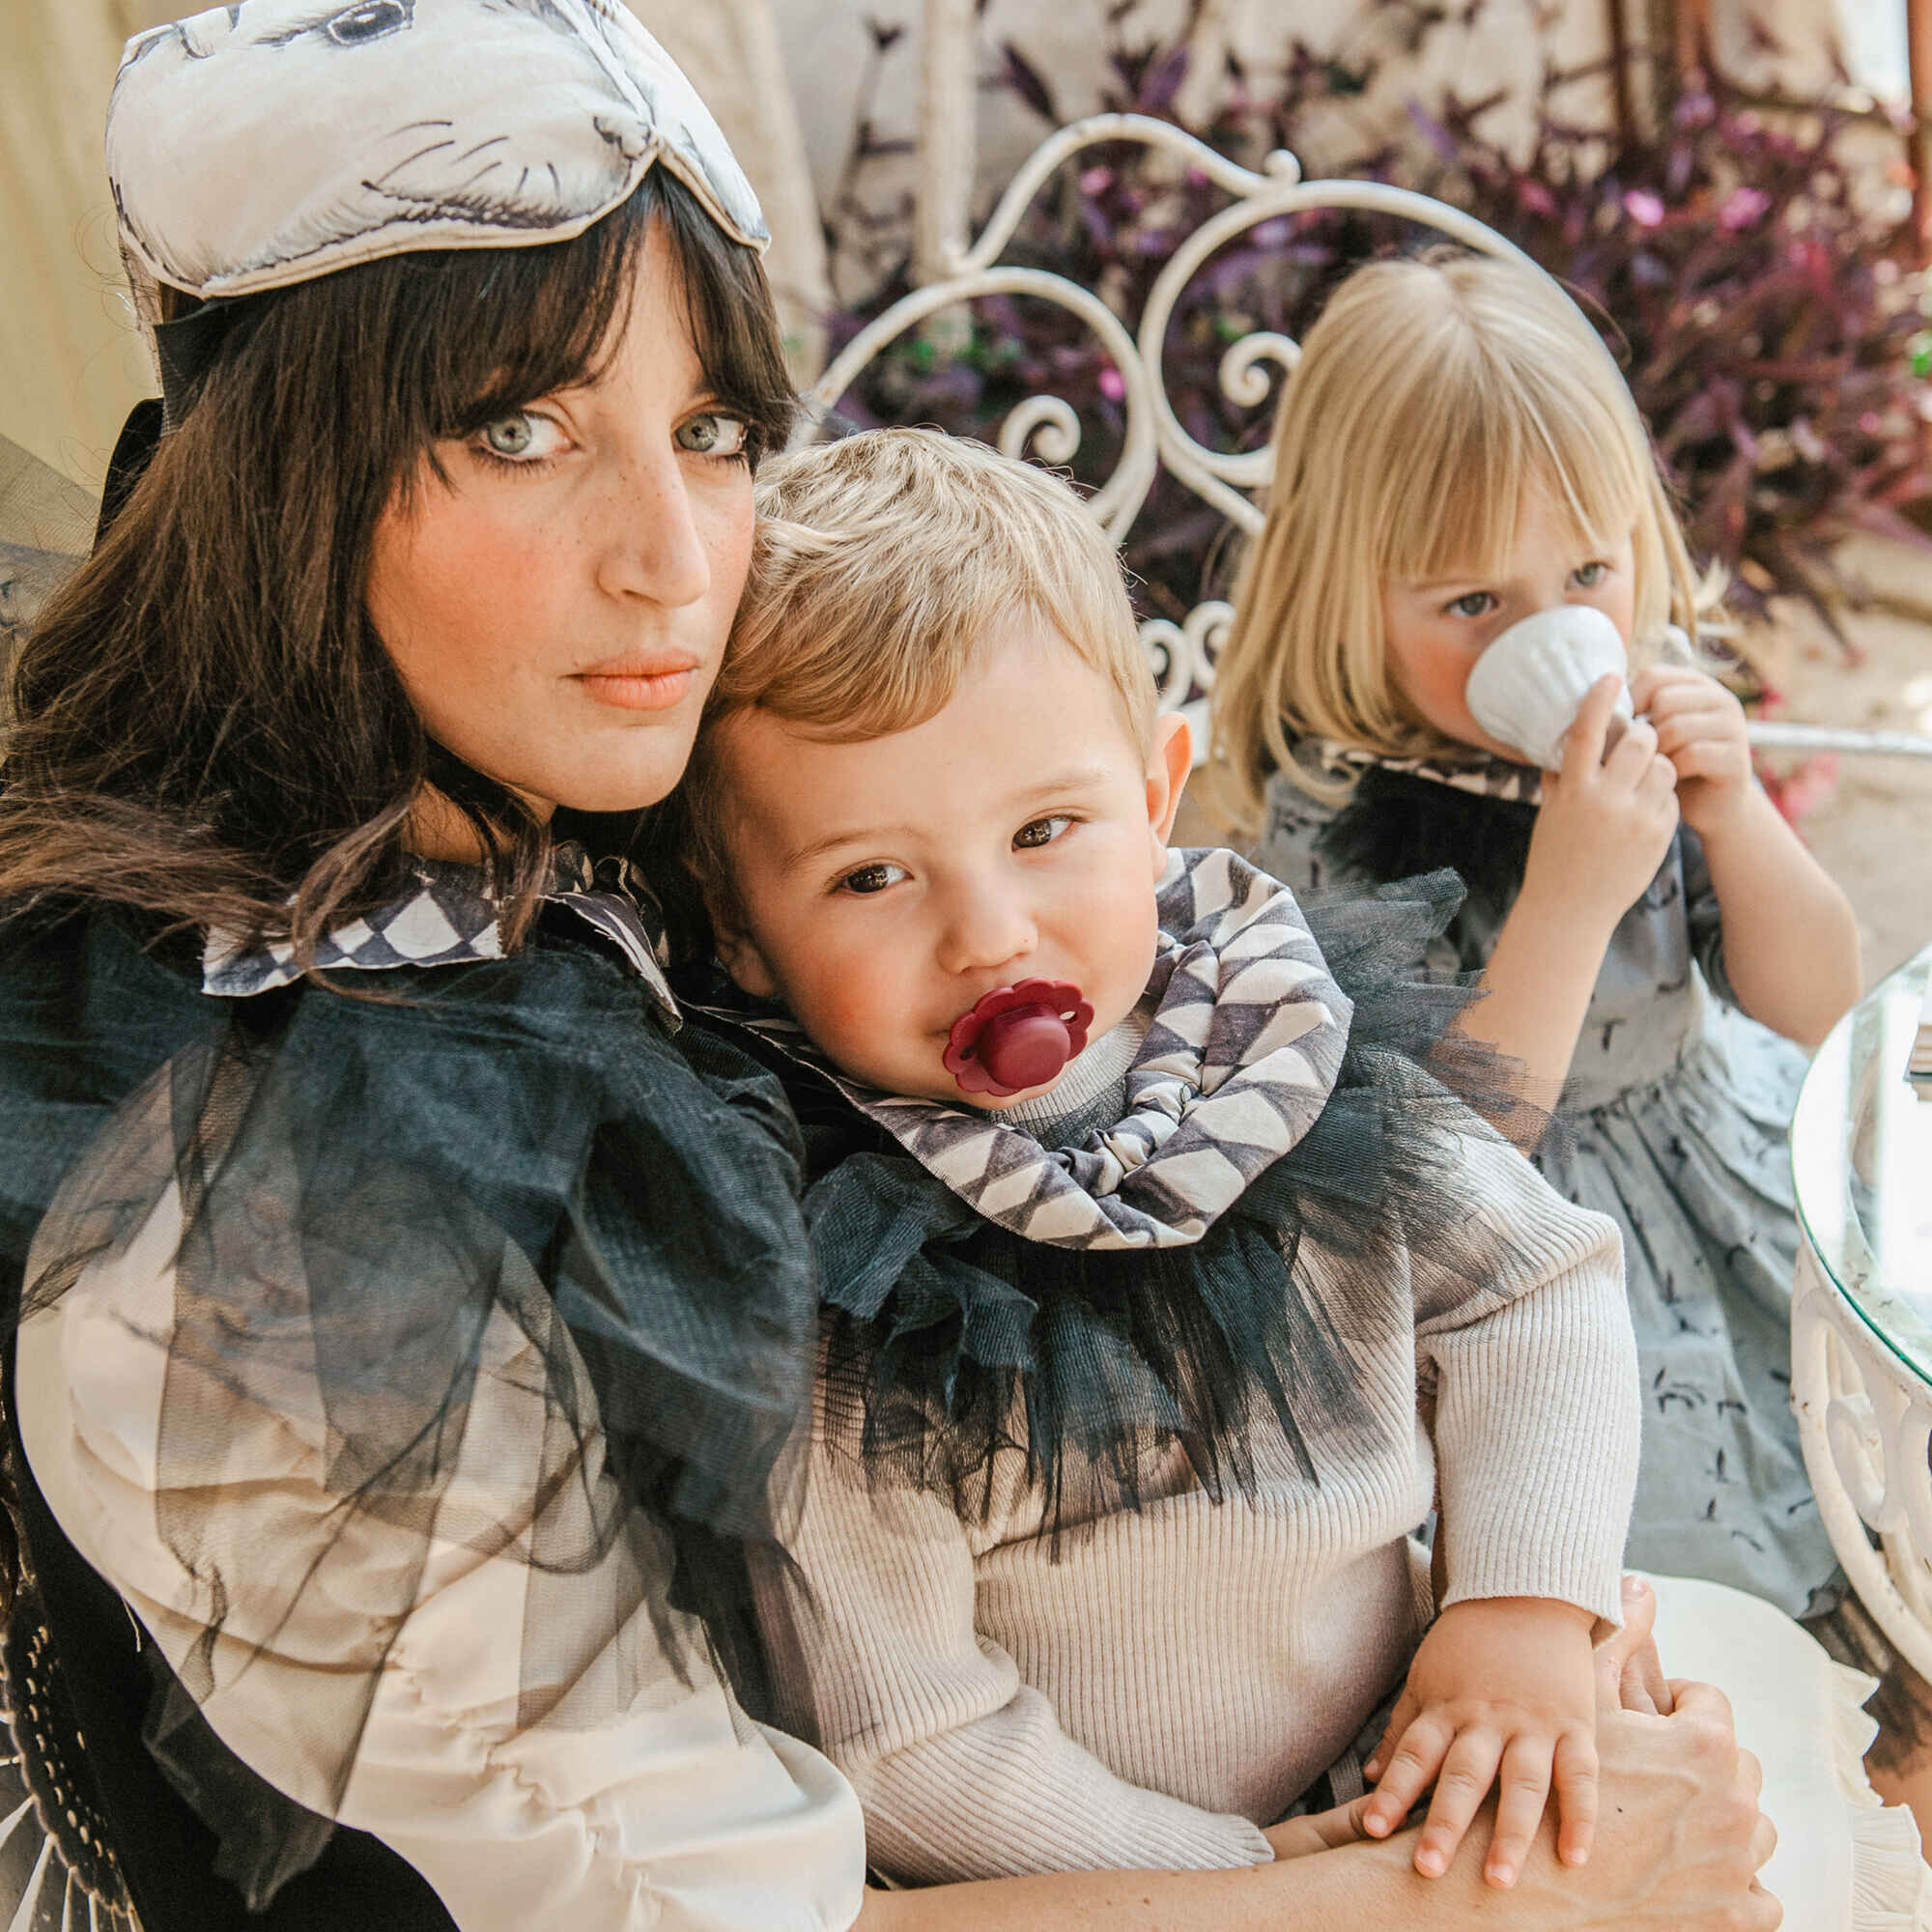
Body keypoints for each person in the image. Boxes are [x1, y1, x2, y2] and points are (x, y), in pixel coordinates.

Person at [0, 5, 1790, 1926]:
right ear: (275, 470)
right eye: (517, 426)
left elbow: (1497, 1288)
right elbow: (728, 1894)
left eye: (712, 430)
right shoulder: (249, 1219)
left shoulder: (577, 799)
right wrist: (1479, 1890)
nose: (673, 560)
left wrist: (1518, 1629)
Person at [674, 425, 1647, 1893]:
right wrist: (1245, 1885)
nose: (989, 931)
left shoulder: (1280, 1054)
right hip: (1120, 1887)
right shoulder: (825, 1271)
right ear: (738, 927)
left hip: (1407, 1751)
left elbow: (1537, 1290)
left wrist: (1518, 1607)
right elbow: (906, 1736)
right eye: (871, 875)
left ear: (1153, 799)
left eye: (1045, 828)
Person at [1207, 251, 1895, 1650]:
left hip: (1715, 1155)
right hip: (1523, 1252)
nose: (1551, 629)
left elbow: (1819, 1002)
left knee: (1863, 1425)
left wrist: (1738, 814)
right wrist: (1572, 899)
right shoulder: (1333, 819)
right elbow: (1453, 1156)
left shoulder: (1650, 705)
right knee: (1664, 1570)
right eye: (1472, 604)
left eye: (1587, 572)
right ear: (1347, 592)